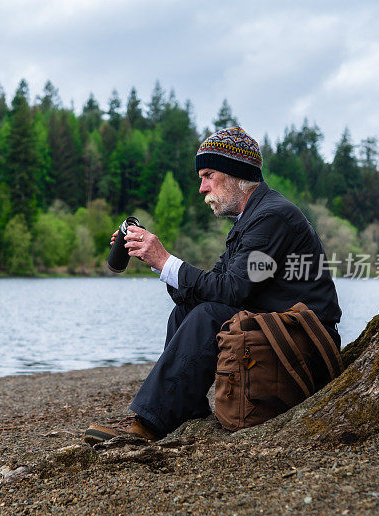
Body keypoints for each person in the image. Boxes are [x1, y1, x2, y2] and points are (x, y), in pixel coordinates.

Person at [84, 127, 342, 443]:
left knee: (209, 315)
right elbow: (216, 286)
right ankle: (183, 412)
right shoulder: (252, 219)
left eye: (208, 175)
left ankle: (147, 423)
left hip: (306, 348)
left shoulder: (274, 217)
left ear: (235, 173)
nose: (202, 187)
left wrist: (165, 260)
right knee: (185, 311)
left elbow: (234, 291)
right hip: (283, 336)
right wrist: (154, 261)